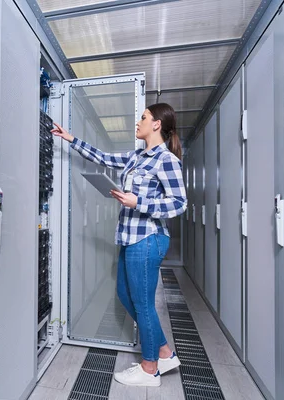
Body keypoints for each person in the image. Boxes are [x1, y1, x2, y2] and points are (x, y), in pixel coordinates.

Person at [51, 103, 187, 387]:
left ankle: (150, 370)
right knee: (126, 295)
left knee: (143, 304)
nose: (138, 122)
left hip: (148, 238)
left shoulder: (166, 160)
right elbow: (102, 157)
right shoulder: (137, 157)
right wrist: (71, 139)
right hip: (129, 237)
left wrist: (139, 202)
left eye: (143, 117)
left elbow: (179, 202)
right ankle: (164, 352)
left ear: (157, 125)